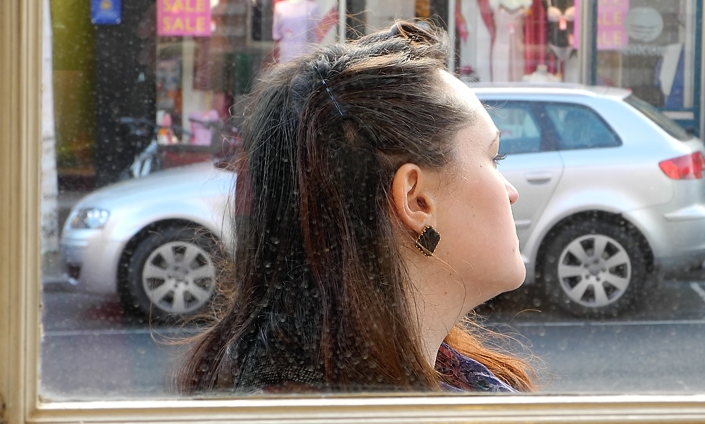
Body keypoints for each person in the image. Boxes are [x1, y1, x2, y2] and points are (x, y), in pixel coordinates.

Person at [177, 21, 536, 394]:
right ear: (417, 199)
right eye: (495, 157)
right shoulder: (354, 409)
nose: (511, 192)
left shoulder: (288, 386)